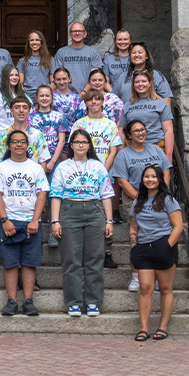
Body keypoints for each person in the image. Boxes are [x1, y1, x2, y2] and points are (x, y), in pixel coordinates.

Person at [50, 129, 114, 317]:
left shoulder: (98, 166)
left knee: (95, 259)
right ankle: (74, 302)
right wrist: (55, 221)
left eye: (84, 142)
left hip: (95, 212)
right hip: (70, 211)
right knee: (72, 259)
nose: (80, 145)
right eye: (77, 142)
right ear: (71, 145)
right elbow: (55, 195)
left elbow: (106, 195)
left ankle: (93, 301)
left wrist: (109, 221)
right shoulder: (63, 167)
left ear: (89, 145)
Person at [0, 130, 50, 316]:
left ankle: (28, 301)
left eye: (22, 142)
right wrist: (4, 220)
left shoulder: (36, 168)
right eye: (15, 142)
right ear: (9, 146)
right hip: (9, 222)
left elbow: (42, 194)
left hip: (30, 223)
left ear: (27, 145)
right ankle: (11, 301)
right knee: (9, 263)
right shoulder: (1, 167)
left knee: (29, 262)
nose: (19, 145)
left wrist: (35, 220)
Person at [110, 119, 172, 291]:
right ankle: (136, 276)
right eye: (136, 131)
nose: (140, 133)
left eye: (142, 129)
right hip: (135, 199)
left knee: (159, 236)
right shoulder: (123, 155)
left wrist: (162, 193)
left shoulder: (156, 150)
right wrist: (142, 198)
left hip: (159, 199)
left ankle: (159, 274)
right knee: (136, 238)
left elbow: (165, 171)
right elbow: (122, 181)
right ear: (129, 135)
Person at [130, 165, 183, 341]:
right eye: (147, 177)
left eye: (153, 176)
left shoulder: (168, 200)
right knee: (145, 287)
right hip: (143, 247)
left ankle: (162, 327)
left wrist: (166, 246)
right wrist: (133, 242)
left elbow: (178, 226)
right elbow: (133, 224)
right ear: (142, 180)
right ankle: (144, 328)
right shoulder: (138, 200)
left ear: (159, 179)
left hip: (163, 245)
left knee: (166, 288)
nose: (150, 180)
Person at [71, 90, 123, 268]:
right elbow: (74, 149)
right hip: (81, 176)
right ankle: (85, 254)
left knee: (104, 215)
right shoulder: (79, 124)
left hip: (104, 174)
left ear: (102, 102)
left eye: (97, 99)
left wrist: (102, 170)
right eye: (90, 100)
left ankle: (107, 252)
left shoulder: (110, 124)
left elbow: (114, 150)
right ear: (85, 103)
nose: (94, 102)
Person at [27, 84, 69, 247]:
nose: (44, 98)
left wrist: (52, 161)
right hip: (34, 160)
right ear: (36, 98)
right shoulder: (31, 117)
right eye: (41, 96)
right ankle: (31, 227)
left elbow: (62, 140)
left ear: (52, 98)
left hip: (54, 158)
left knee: (54, 195)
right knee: (34, 194)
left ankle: (53, 231)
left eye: (47, 96)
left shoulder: (59, 116)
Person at [118, 70, 174, 163]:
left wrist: (168, 155)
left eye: (143, 81)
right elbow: (121, 131)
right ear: (133, 85)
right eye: (137, 82)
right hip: (132, 150)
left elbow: (168, 130)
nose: (140, 84)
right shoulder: (127, 105)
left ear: (150, 84)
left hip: (156, 148)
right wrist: (120, 154)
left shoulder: (161, 103)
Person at [0, 96, 51, 170]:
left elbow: (43, 162)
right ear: (11, 111)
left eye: (25, 108)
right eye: (17, 107)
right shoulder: (3, 136)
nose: (21, 110)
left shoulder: (38, 135)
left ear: (29, 111)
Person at [111, 42, 173, 106]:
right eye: (133, 53)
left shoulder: (156, 75)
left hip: (150, 114)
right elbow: (113, 99)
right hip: (127, 114)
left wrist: (165, 115)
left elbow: (167, 98)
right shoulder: (123, 76)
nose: (137, 55)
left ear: (146, 56)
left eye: (140, 52)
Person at [54, 22, 102, 94]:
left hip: (89, 95)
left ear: (85, 34)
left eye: (80, 31)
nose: (77, 33)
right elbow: (57, 75)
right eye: (74, 31)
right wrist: (71, 95)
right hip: (66, 94)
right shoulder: (61, 52)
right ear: (69, 34)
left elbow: (94, 77)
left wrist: (83, 93)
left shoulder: (93, 53)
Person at [51, 68, 84, 158]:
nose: (61, 82)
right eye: (58, 79)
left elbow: (80, 119)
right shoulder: (50, 96)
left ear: (69, 79)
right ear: (54, 80)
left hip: (72, 136)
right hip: (55, 136)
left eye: (64, 79)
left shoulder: (76, 98)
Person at [0, 65, 30, 133]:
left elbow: (30, 116)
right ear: (5, 77)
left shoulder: (25, 95)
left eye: (16, 75)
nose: (14, 77)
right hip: (5, 136)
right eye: (11, 75)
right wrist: (0, 138)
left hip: (24, 136)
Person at [17, 30, 55, 101]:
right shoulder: (22, 61)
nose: (34, 42)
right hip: (27, 98)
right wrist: (25, 96)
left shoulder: (50, 59)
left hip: (44, 98)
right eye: (31, 40)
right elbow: (20, 83)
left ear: (41, 42)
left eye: (37, 40)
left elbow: (53, 82)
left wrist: (44, 95)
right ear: (28, 43)